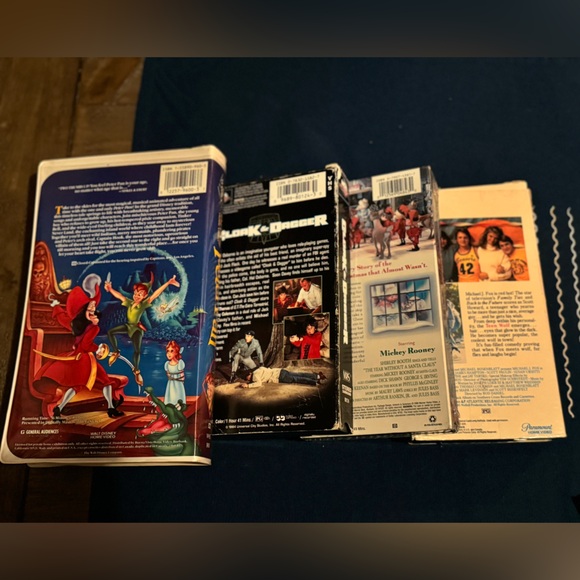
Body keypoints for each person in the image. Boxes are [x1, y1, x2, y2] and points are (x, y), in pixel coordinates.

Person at [32, 274, 127, 420]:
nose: (94, 312)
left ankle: (59, 408)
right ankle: (111, 408)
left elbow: (61, 317)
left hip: (78, 358)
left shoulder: (75, 324)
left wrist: (55, 305)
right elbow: (86, 345)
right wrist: (98, 348)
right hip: (85, 360)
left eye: (94, 309)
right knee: (104, 381)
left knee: (79, 386)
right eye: (90, 310)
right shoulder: (93, 328)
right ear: (84, 313)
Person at [105, 272, 180, 387]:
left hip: (136, 329)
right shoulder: (129, 302)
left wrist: (168, 283)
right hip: (128, 326)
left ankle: (136, 370)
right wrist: (110, 289)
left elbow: (155, 294)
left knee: (137, 351)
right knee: (111, 332)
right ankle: (116, 351)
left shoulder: (143, 304)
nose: (136, 296)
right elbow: (119, 296)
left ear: (144, 296)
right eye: (136, 293)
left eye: (140, 294)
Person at [240, 366, 327, 388]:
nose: (248, 379)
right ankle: (317, 376)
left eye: (246, 377)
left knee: (297, 379)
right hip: (281, 371)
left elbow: (258, 383)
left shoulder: (255, 376)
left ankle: (315, 382)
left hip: (280, 377)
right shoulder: (259, 368)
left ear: (249, 374)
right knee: (299, 374)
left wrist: (248, 385)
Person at [163, 340, 186, 405]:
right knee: (171, 396)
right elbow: (168, 374)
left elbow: (182, 376)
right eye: (168, 351)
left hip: (178, 384)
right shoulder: (167, 364)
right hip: (171, 384)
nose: (169, 354)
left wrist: (180, 381)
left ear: (176, 352)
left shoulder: (180, 364)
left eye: (172, 351)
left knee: (178, 397)